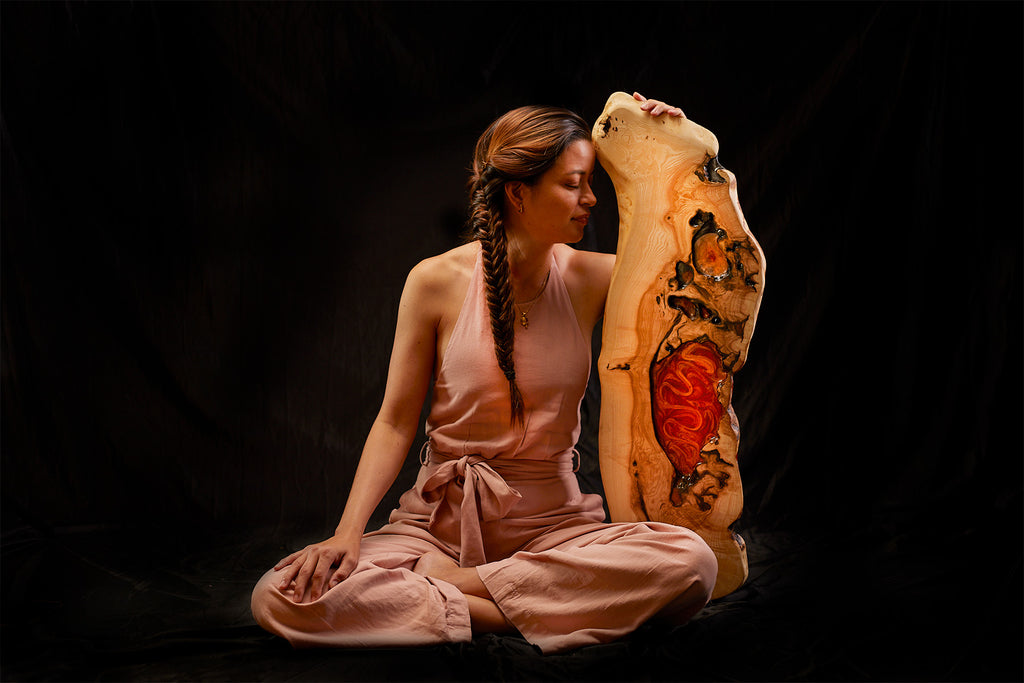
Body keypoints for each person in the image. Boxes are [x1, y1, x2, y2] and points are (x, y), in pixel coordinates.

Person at [250, 92, 718, 654]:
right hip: (434, 529)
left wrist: (675, 146)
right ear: (519, 192)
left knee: (692, 563)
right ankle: (529, 608)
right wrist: (348, 534)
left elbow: (705, 265)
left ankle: (450, 595)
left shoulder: (595, 278)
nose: (591, 199)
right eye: (574, 183)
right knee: (280, 596)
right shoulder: (434, 282)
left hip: (557, 531)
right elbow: (396, 423)